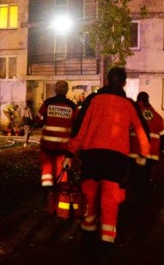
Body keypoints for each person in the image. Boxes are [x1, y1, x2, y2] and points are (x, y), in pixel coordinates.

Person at [64, 67, 149, 250]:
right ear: (124, 83)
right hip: (116, 160)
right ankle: (106, 245)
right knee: (110, 201)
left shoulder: (93, 100)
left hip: (92, 156)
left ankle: (87, 237)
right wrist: (144, 153)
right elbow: (142, 131)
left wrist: (70, 153)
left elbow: (80, 128)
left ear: (107, 81)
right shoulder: (129, 105)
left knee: (89, 195)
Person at [37, 81, 76, 187]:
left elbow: (39, 119)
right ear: (67, 91)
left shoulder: (48, 103)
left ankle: (46, 193)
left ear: (55, 89)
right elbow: (76, 125)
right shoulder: (72, 106)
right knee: (63, 172)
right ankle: (61, 196)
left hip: (47, 146)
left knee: (47, 171)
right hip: (64, 147)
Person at [129, 92, 164, 199]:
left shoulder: (133, 112)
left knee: (134, 177)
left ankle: (134, 200)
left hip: (134, 152)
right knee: (145, 177)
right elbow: (162, 133)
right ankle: (143, 199)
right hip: (151, 152)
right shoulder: (156, 115)